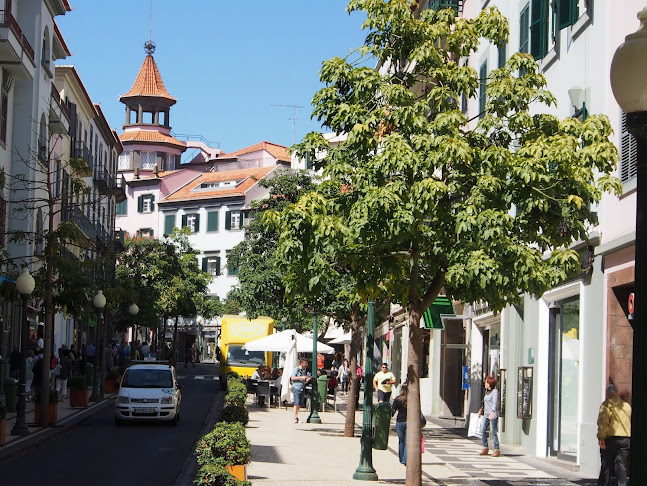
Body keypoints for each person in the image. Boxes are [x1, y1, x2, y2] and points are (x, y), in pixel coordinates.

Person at [597, 383, 631, 486]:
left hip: (611, 439)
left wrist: (601, 438)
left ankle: (603, 484)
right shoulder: (626, 405)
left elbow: (603, 423)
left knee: (606, 463)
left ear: (608, 395)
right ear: (617, 393)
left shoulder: (606, 405)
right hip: (626, 439)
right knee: (621, 463)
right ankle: (622, 484)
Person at [478, 375, 500, 457]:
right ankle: (485, 447)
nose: (485, 383)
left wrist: (493, 412)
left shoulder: (495, 392)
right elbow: (485, 402)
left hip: (492, 414)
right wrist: (481, 410)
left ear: (489, 383)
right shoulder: (487, 391)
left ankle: (497, 449)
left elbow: (495, 403)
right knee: (482, 430)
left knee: (493, 432)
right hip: (486, 414)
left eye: (486, 382)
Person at [391, 382, 409, 465]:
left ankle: (401, 458)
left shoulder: (398, 399)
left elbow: (392, 411)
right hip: (409, 422)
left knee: (401, 441)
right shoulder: (412, 399)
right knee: (407, 442)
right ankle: (405, 459)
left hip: (400, 422)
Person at [290, 358, 312, 423]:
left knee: (299, 403)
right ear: (301, 363)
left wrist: (306, 380)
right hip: (296, 387)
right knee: (296, 403)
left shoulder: (304, 370)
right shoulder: (297, 369)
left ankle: (297, 416)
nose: (306, 364)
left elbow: (303, 380)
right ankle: (295, 417)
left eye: (306, 363)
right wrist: (301, 377)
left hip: (302, 387)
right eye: (305, 363)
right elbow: (292, 378)